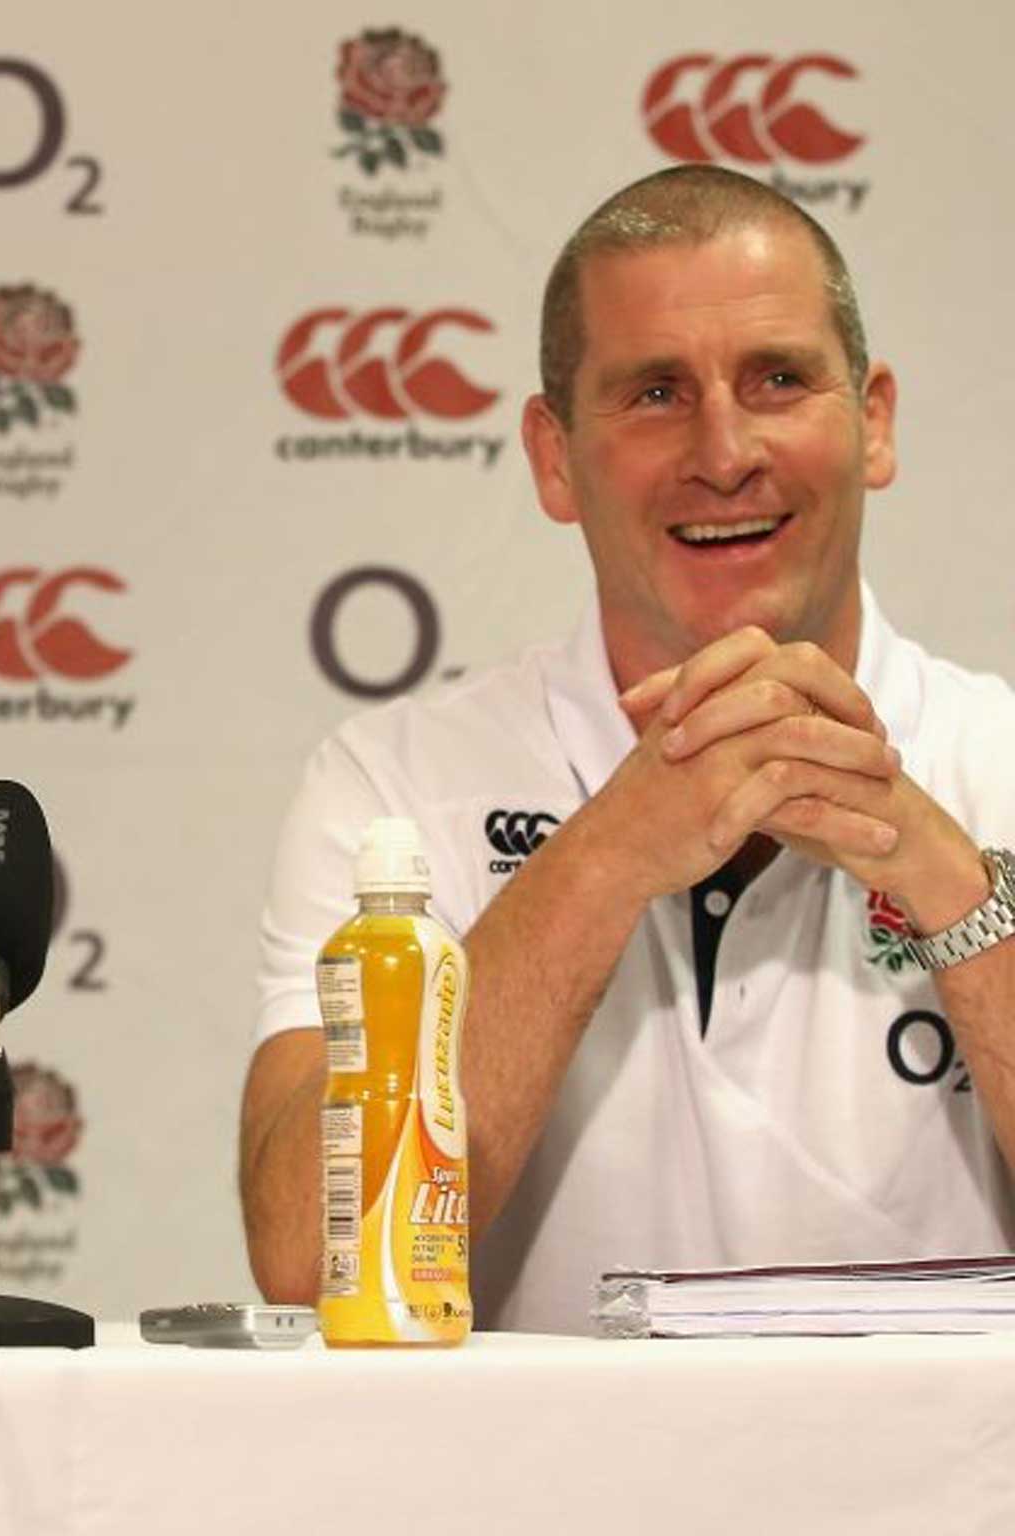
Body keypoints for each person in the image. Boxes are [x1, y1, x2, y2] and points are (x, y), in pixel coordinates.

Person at [240, 164, 1015, 1335]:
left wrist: (942, 880)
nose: (722, 449)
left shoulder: (991, 755)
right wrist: (602, 859)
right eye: (653, 393)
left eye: (777, 380)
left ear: (871, 420)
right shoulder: (394, 785)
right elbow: (309, 1258)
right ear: (553, 458)